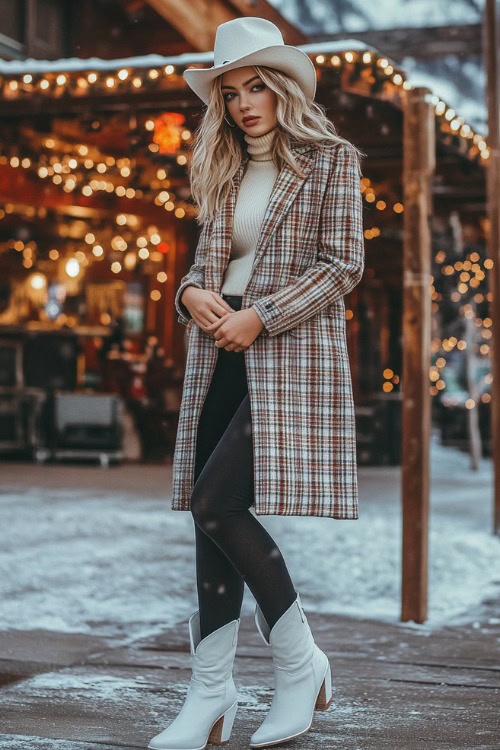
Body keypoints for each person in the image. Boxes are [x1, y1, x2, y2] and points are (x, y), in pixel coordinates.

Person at [147, 16, 365, 750]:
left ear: (282, 89)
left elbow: (344, 265)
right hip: (217, 350)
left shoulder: (332, 159)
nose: (243, 104)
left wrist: (261, 317)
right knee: (208, 518)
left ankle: (299, 666)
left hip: (283, 349)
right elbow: (208, 268)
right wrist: (187, 295)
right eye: (230, 92)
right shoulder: (223, 166)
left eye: (255, 88)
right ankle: (210, 694)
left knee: (216, 501)